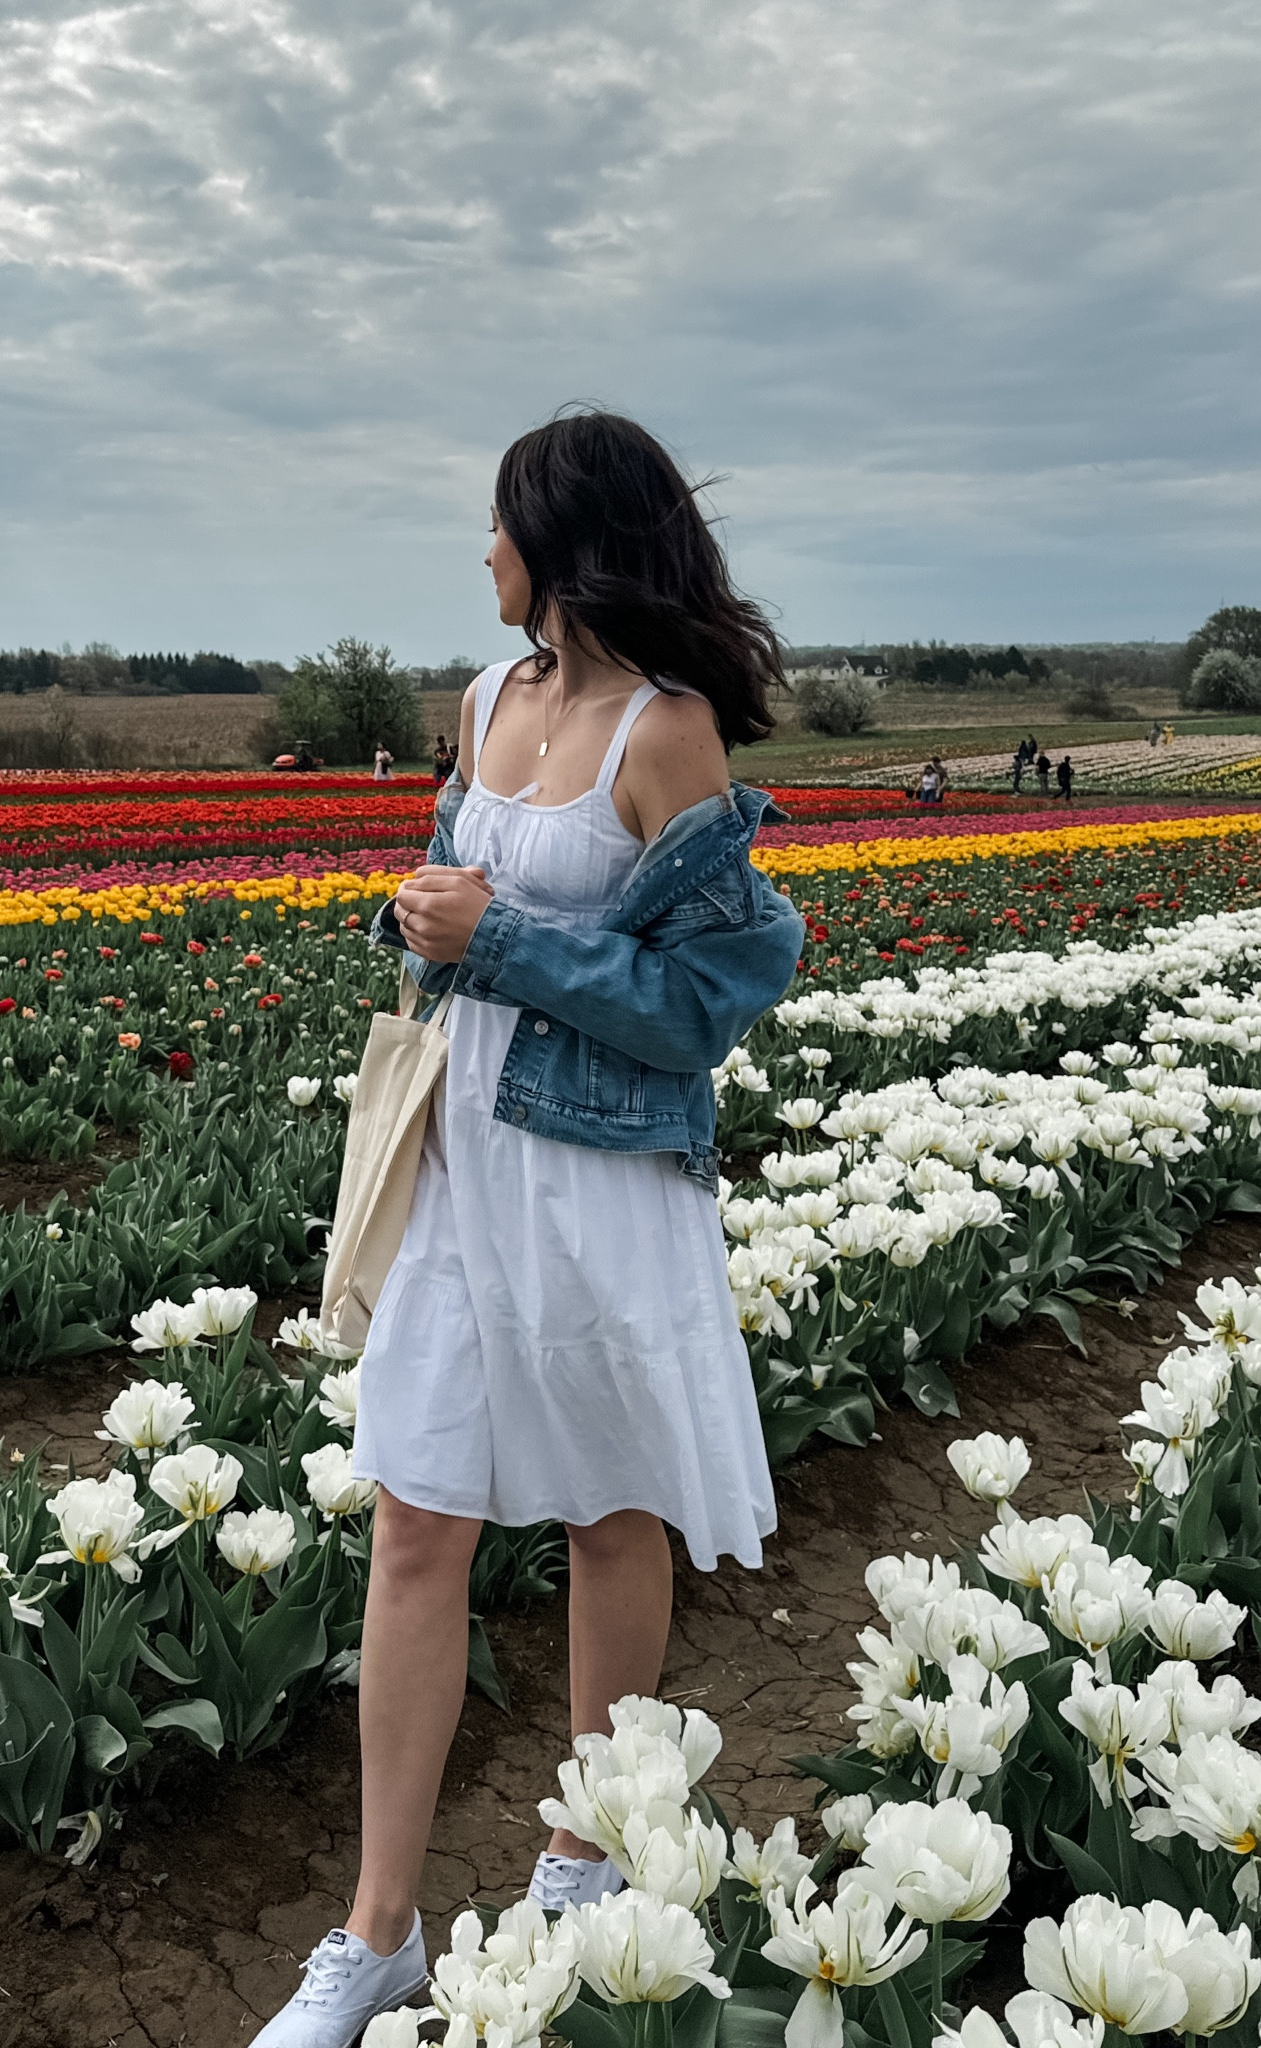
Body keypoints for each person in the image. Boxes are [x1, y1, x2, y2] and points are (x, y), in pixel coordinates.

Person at [255, 410, 803, 2047]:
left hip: (602, 1176)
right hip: (462, 1164)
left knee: (603, 1520)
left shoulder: (667, 734)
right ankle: (378, 1934)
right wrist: (425, 919)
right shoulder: (487, 703)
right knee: (416, 1519)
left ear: (561, 547)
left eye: (497, 528)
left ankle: (583, 1843)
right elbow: (458, 902)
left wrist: (497, 943)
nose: (480, 556)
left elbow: (705, 1004)